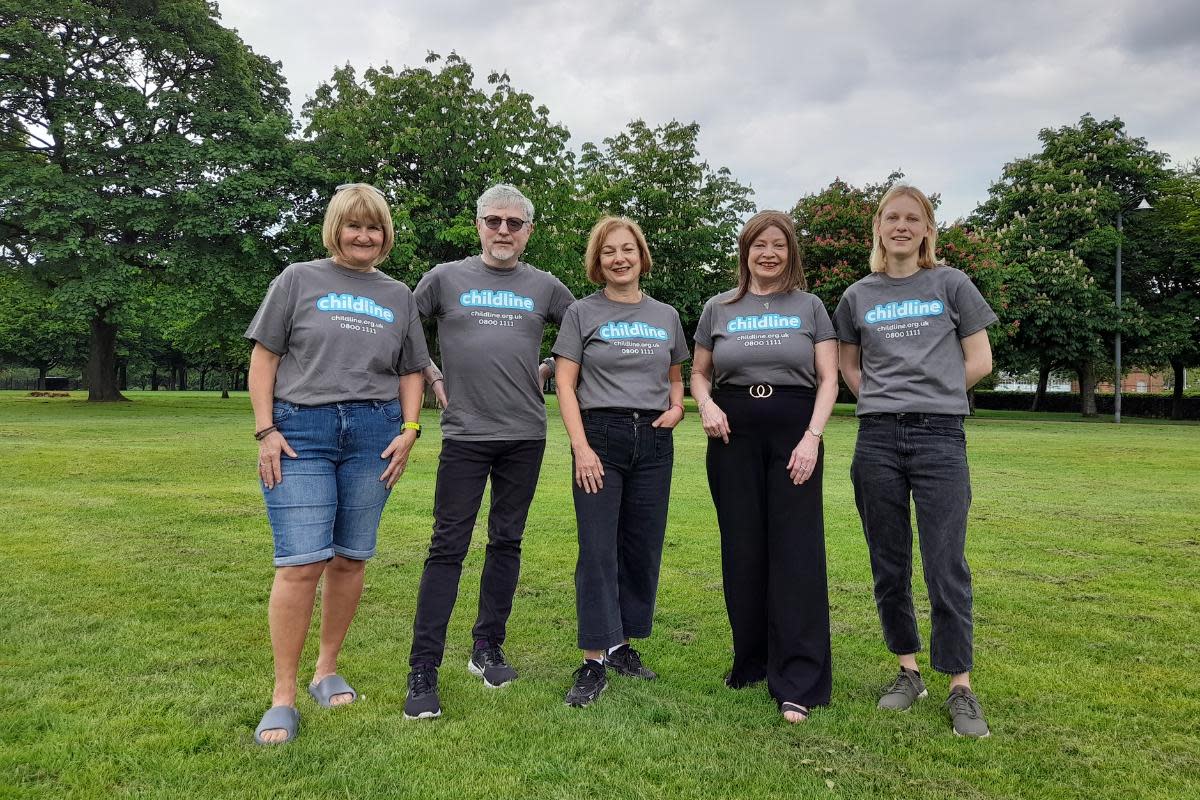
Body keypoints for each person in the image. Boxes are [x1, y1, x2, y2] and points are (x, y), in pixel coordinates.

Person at [246, 183, 429, 745]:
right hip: (302, 430)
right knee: (301, 562)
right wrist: (266, 430)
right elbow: (264, 358)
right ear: (336, 229)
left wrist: (410, 430)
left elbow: (411, 369)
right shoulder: (297, 279)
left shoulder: (399, 294)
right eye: (354, 226)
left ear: (385, 235)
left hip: (374, 431)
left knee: (350, 558)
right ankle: (283, 695)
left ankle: (326, 670)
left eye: (374, 228)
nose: (364, 236)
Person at [404, 184, 575, 720]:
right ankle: (423, 667)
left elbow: (586, 332)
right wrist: (431, 373)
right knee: (447, 546)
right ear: (478, 224)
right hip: (465, 434)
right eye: (494, 221)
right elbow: (402, 324)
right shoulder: (444, 278)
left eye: (514, 223)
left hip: (524, 433)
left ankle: (486, 648)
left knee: (507, 542)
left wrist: (551, 367)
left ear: (528, 231)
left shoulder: (545, 287)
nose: (504, 231)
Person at [833, 185, 997, 738]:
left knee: (945, 563)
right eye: (891, 218)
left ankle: (959, 684)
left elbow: (980, 359)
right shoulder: (857, 296)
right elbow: (850, 368)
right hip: (877, 439)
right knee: (889, 561)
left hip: (940, 437)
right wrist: (884, 398)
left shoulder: (951, 284)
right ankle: (907, 671)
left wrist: (935, 391)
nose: (901, 226)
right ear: (878, 227)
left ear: (927, 228)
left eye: (913, 218)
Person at [690, 210, 839, 724]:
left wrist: (812, 438)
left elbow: (829, 380)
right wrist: (705, 405)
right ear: (745, 252)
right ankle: (751, 660)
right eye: (759, 245)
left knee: (795, 551)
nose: (768, 253)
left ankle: (799, 677)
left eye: (778, 245)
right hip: (733, 436)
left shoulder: (812, 307)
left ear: (790, 253)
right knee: (743, 549)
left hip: (794, 433)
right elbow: (699, 374)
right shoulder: (718, 308)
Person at [552, 216, 689, 707]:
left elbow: (675, 376)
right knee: (596, 549)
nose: (619, 258)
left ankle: (622, 647)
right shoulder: (582, 313)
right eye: (609, 251)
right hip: (600, 438)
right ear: (598, 260)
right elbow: (564, 383)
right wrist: (580, 446)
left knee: (641, 547)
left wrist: (676, 407)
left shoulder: (666, 315)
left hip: (653, 442)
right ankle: (592, 659)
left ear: (641, 255)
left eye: (627, 249)